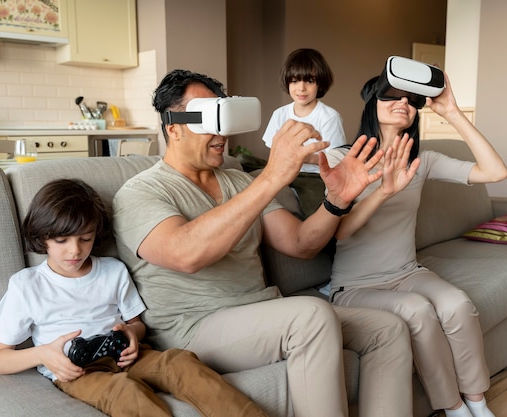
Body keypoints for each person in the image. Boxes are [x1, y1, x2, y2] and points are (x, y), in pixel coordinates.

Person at [112, 69, 413, 417]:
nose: (221, 132)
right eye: (209, 119)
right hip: (193, 328)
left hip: (259, 311)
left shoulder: (238, 180)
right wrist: (272, 175)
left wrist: (336, 201)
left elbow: (301, 244)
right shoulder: (140, 192)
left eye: (223, 117)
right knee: (310, 316)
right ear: (173, 127)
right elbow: (186, 254)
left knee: (387, 329)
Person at [0, 178, 269, 417]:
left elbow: (137, 323)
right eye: (61, 241)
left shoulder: (113, 270)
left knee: (180, 363)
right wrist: (43, 354)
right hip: (77, 371)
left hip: (126, 355)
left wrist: (133, 333)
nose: (75, 251)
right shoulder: (27, 285)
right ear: (42, 237)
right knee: (124, 392)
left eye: (85, 239)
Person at [326, 66, 507, 417]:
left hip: (408, 272)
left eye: (411, 100)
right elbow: (340, 231)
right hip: (356, 284)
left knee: (457, 304)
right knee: (418, 310)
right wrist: (382, 191)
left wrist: (453, 113)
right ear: (371, 103)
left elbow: (495, 172)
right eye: (391, 95)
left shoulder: (421, 163)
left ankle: (477, 403)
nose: (402, 103)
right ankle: (453, 407)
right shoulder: (343, 159)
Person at [262, 48, 347, 217]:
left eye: (309, 81)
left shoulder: (329, 117)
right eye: (294, 81)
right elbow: (274, 149)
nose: (301, 88)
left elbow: (336, 159)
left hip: (314, 176)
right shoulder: (280, 114)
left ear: (320, 83)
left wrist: (305, 157)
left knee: (315, 212)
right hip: (284, 171)